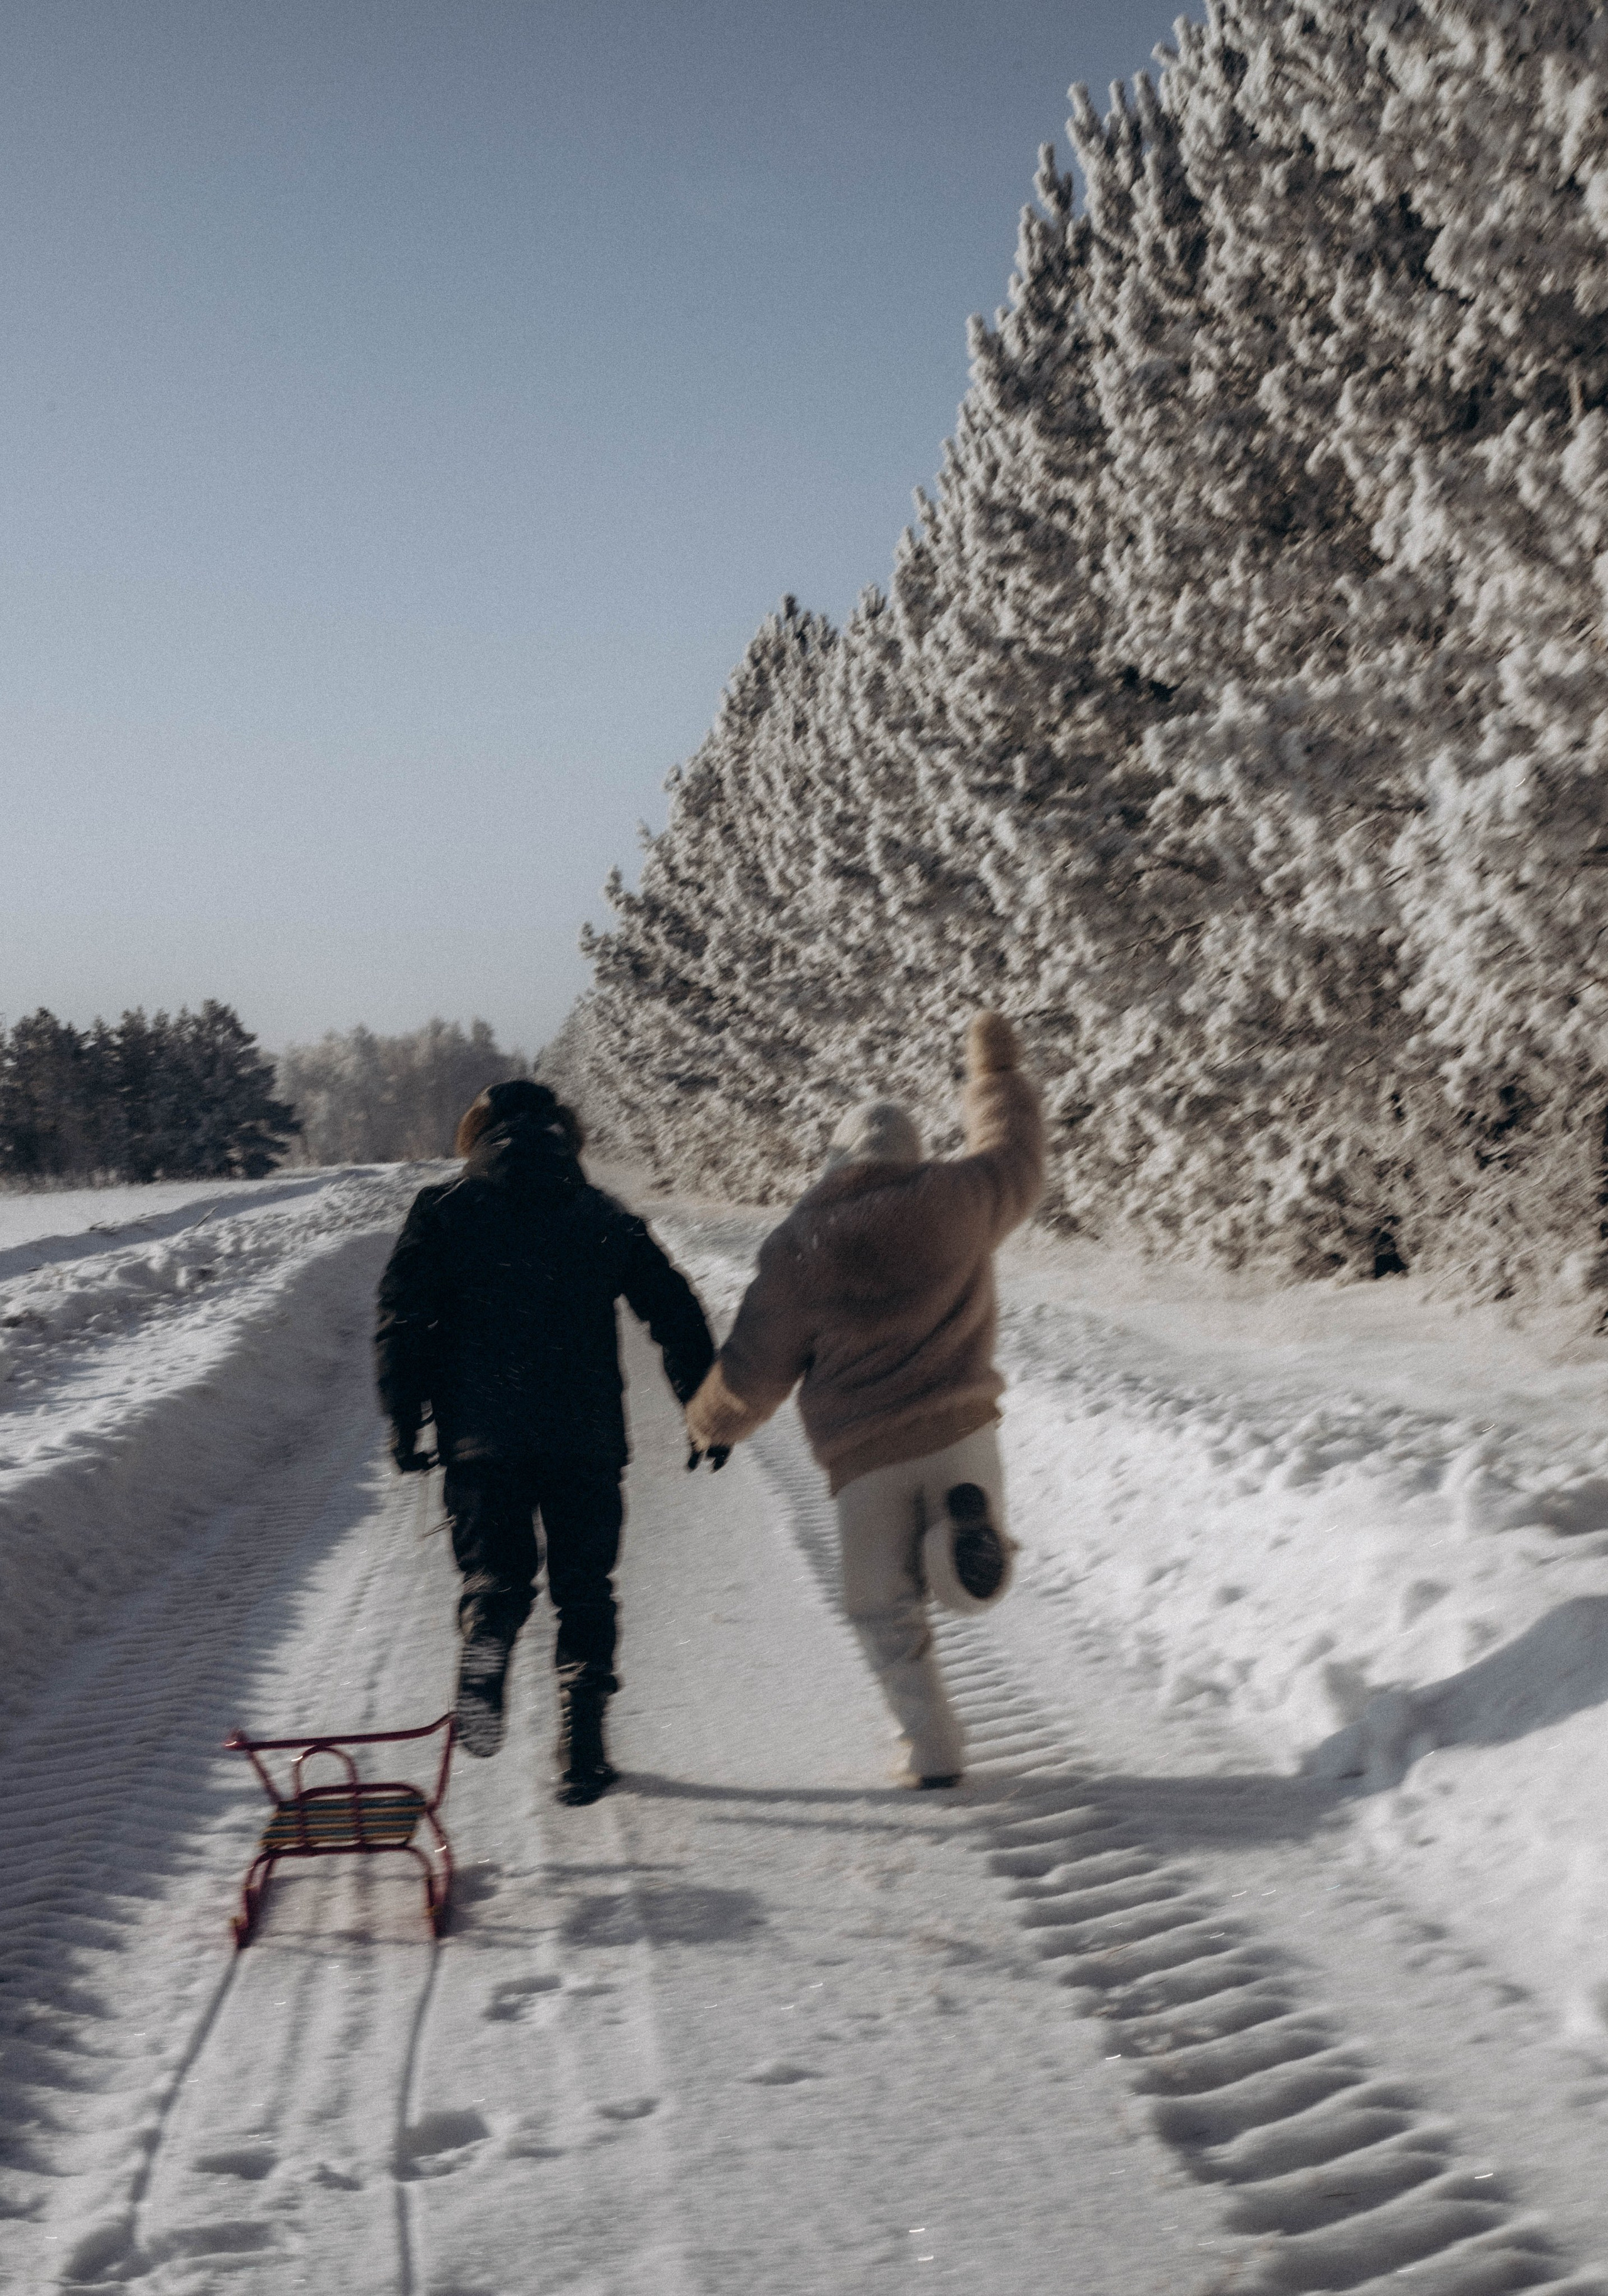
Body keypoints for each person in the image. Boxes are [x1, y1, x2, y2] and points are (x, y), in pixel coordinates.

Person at [683, 1012, 1044, 1788]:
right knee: (954, 1577)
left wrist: (708, 1420)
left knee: (881, 1606)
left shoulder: (799, 1246)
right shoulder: (958, 1196)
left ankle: (934, 1750)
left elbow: (755, 1367)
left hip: (867, 1455)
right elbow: (1017, 1158)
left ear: (833, 1161)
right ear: (914, 1155)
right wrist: (993, 1074)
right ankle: (959, 1544)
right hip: (964, 1431)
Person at [375, 1078, 717, 1804]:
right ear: (567, 1135)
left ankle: (490, 1623)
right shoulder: (598, 1212)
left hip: (480, 1438)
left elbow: (404, 1316)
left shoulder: (442, 1210)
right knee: (585, 1588)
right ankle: (583, 1743)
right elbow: (673, 1306)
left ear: (477, 1134)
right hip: (584, 1436)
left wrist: (403, 1416)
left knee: (496, 1574)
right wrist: (702, 1404)